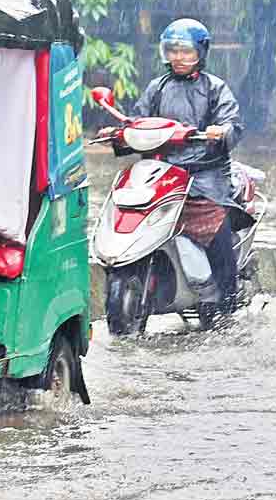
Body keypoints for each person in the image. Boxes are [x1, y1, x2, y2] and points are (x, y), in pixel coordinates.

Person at [100, 17, 250, 324]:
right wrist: (119, 133)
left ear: (200, 53)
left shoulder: (215, 88)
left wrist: (220, 131)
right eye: (173, 50)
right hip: (162, 173)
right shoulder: (157, 88)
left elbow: (233, 126)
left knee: (217, 225)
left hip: (204, 174)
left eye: (186, 51)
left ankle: (226, 297)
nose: (178, 57)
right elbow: (139, 121)